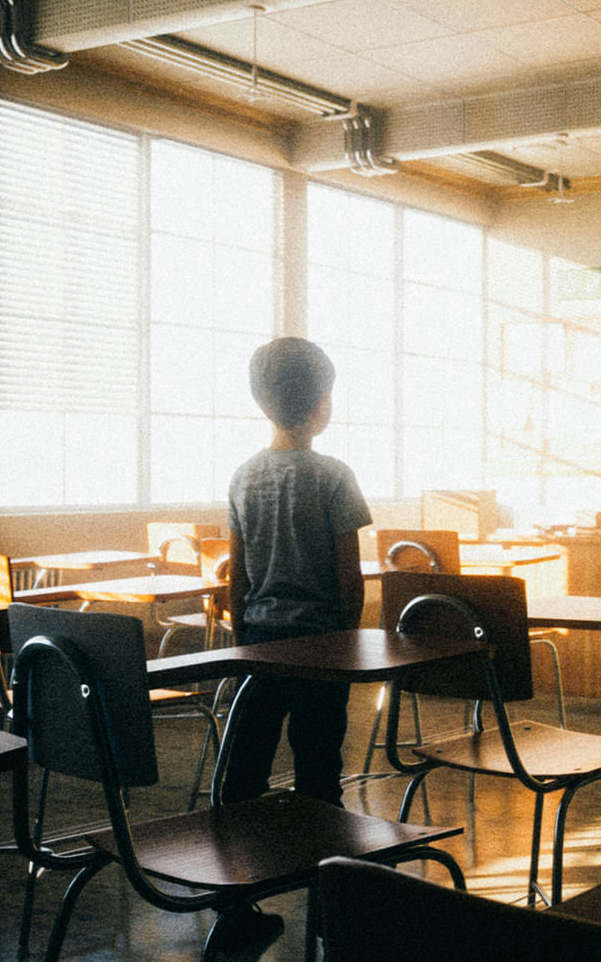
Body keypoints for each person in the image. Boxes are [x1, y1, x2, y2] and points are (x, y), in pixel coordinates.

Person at [211, 338, 370, 950]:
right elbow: (348, 576)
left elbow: (238, 573)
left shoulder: (244, 475)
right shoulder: (334, 476)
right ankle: (328, 913)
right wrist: (347, 643)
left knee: (244, 773)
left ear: (260, 401)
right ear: (324, 404)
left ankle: (236, 909)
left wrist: (245, 639)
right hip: (321, 645)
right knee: (319, 772)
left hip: (259, 643)